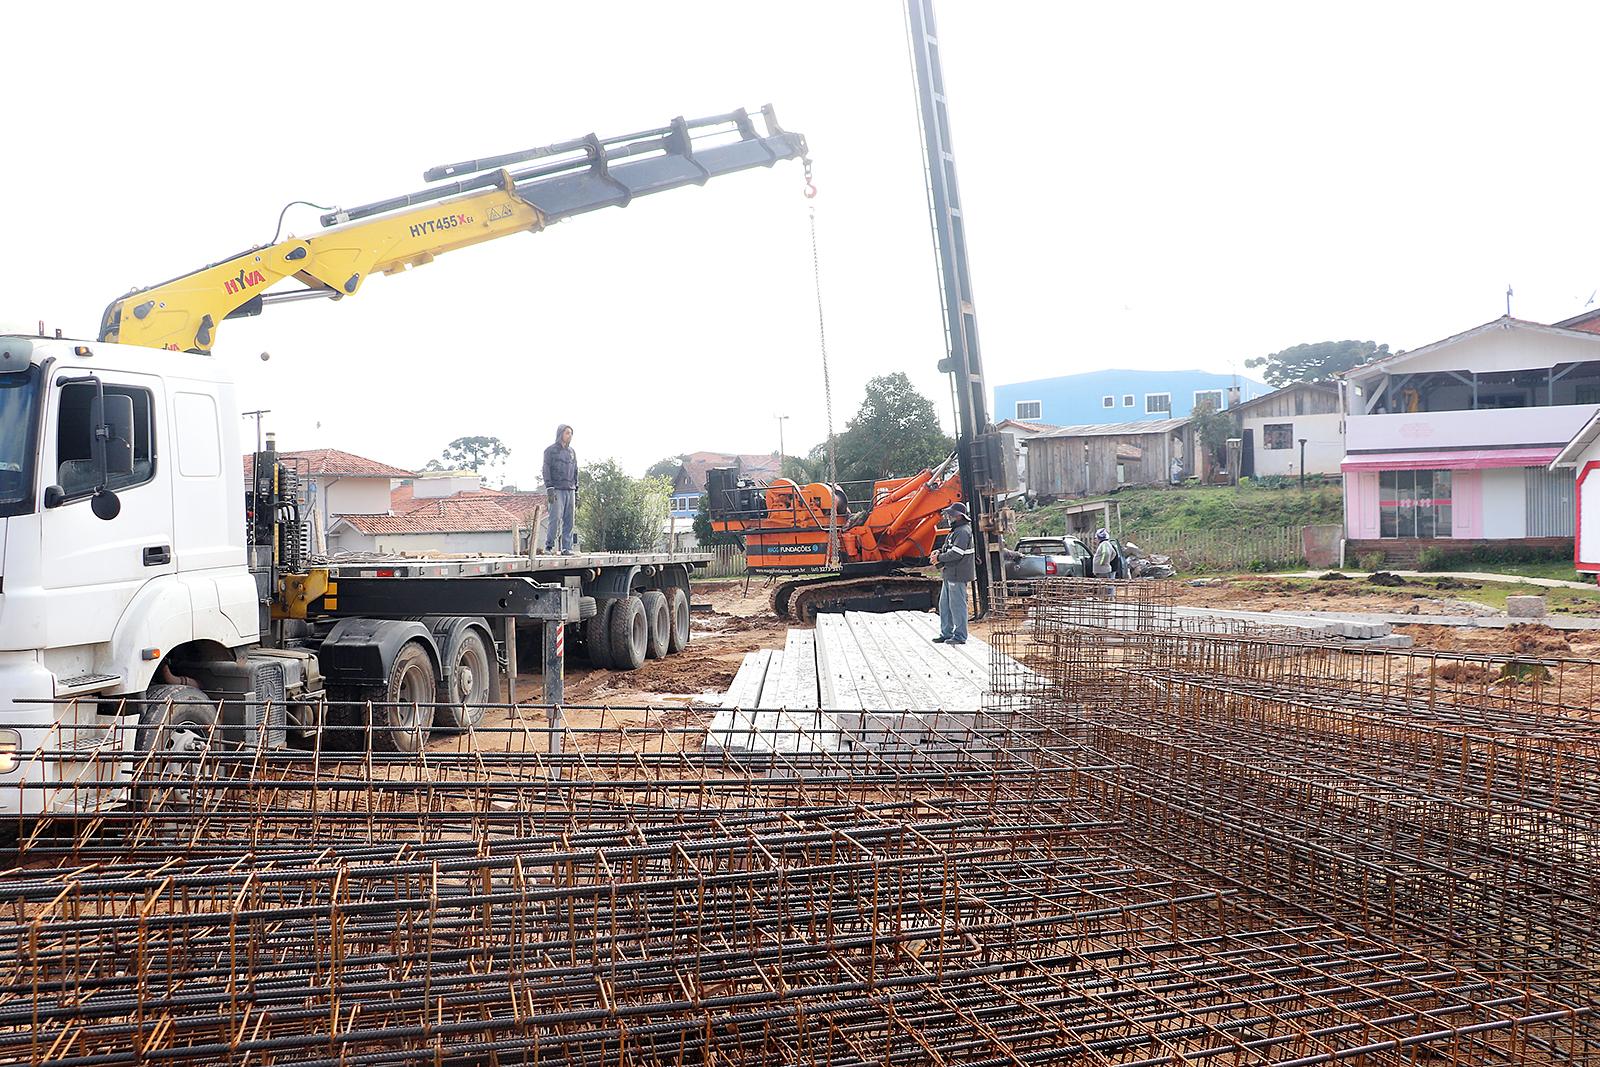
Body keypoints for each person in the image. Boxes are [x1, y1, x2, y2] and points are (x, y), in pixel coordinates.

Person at [930, 501, 975, 644]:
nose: (949, 517)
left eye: (951, 514)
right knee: (945, 605)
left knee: (957, 605)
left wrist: (939, 558)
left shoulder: (962, 531)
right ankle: (946, 633)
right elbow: (950, 549)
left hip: (957, 574)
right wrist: (939, 552)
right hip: (950, 573)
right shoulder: (956, 531)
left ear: (959, 516)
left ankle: (960, 636)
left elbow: (956, 553)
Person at [542, 424, 578, 554]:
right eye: (567, 433)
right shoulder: (550, 451)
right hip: (556, 488)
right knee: (555, 518)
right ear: (560, 433)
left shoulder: (572, 452)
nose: (569, 436)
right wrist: (549, 487)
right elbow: (546, 469)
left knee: (569, 520)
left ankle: (567, 547)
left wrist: (576, 490)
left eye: (571, 433)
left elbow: (575, 471)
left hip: (570, 489)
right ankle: (549, 546)